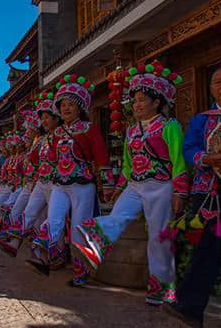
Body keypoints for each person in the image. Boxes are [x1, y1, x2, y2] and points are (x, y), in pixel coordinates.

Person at [73, 62, 188, 306]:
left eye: (142, 100)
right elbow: (127, 165)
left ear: (157, 102)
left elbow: (178, 161)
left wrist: (180, 191)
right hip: (135, 185)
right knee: (119, 215)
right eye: (134, 100)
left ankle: (162, 287)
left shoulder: (170, 127)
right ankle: (96, 241)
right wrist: (117, 188)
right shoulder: (132, 131)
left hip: (162, 186)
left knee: (160, 237)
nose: (136, 104)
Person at [164, 64, 221, 327]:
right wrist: (206, 158)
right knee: (205, 249)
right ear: (211, 87)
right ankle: (190, 308)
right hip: (211, 192)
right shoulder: (202, 119)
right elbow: (189, 149)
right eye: (217, 82)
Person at [26, 75, 111, 283]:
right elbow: (52, 159)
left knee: (78, 229)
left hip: (82, 184)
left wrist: (107, 184)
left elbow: (102, 156)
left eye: (70, 104)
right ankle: (45, 256)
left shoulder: (89, 129)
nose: (65, 108)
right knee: (53, 219)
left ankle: (81, 272)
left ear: (80, 107)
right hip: (60, 184)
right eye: (62, 105)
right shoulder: (56, 134)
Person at [0, 92, 60, 257]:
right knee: (32, 213)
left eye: (47, 117)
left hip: (56, 183)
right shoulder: (40, 141)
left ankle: (53, 254)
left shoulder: (59, 136)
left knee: (52, 218)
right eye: (42, 118)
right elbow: (33, 161)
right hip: (37, 182)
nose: (28, 131)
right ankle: (20, 244)